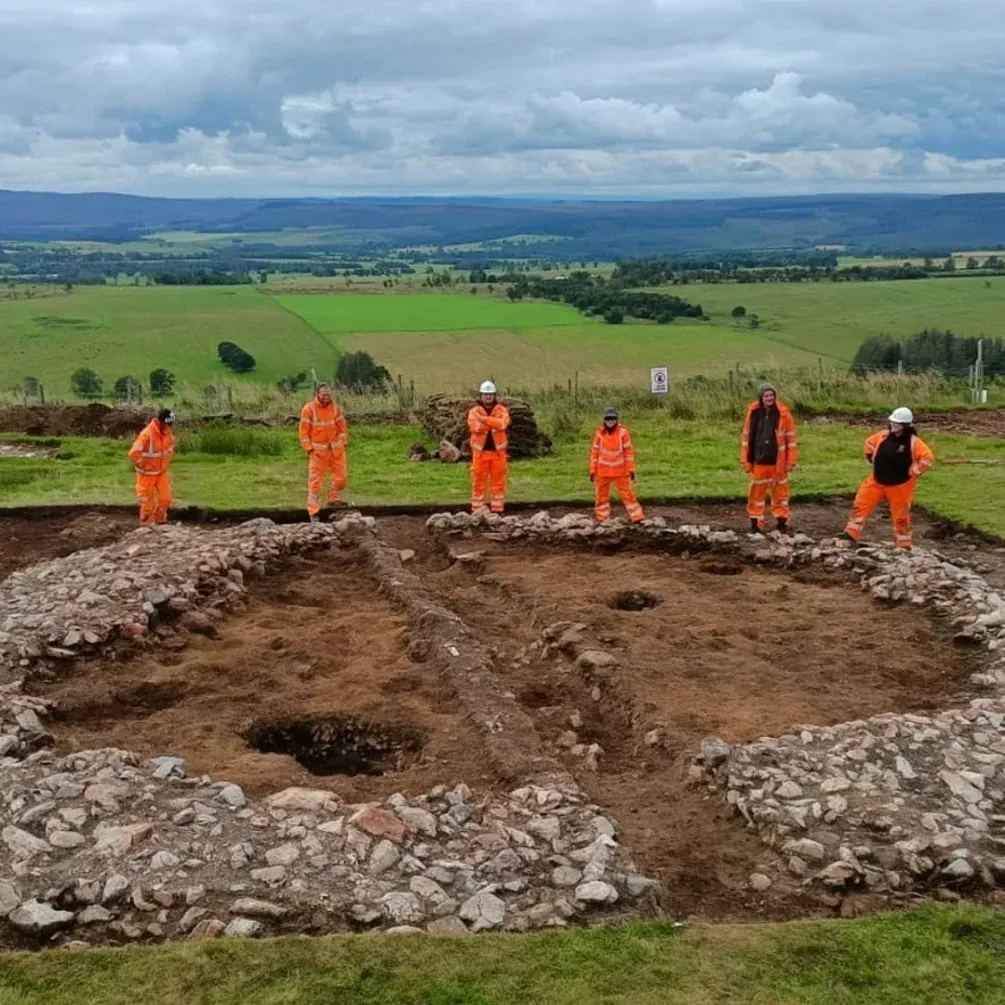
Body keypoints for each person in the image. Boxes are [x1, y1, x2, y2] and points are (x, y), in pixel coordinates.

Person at [842, 407, 934, 549]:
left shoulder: (914, 442)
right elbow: (869, 443)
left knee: (901, 517)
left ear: (905, 426)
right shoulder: (883, 436)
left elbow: (927, 458)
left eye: (897, 424)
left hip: (900, 485)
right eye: (892, 422)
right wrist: (871, 457)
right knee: (860, 505)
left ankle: (903, 545)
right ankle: (850, 533)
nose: (893, 426)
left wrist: (913, 472)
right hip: (876, 480)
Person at [741, 382, 799, 534]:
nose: (769, 398)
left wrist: (791, 460)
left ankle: (781, 521)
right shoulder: (753, 413)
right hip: (758, 460)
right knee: (756, 493)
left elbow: (791, 439)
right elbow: (747, 438)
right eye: (766, 396)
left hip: (778, 461)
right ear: (761, 397)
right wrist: (745, 460)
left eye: (771, 395)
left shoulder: (784, 414)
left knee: (780, 492)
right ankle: (755, 523)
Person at [299, 383, 348, 523]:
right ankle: (314, 512)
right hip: (318, 452)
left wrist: (343, 442)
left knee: (341, 479)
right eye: (323, 395)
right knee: (315, 484)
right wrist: (309, 448)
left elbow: (342, 427)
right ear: (317, 394)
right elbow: (303, 432)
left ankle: (334, 502)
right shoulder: (308, 409)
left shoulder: (335, 408)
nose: (326, 397)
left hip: (336, 450)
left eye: (328, 395)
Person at [590, 408, 645, 523]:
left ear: (616, 419)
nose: (610, 421)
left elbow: (628, 452)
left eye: (612, 418)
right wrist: (592, 470)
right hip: (603, 471)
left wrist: (631, 469)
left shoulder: (623, 432)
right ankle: (602, 518)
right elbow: (595, 452)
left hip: (621, 471)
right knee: (601, 497)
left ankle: (637, 517)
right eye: (608, 419)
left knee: (628, 495)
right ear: (604, 420)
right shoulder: (599, 432)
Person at [467, 380, 511, 514]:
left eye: (490, 394)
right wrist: (493, 423)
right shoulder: (474, 412)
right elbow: (476, 427)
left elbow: (502, 424)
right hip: (480, 453)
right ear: (481, 396)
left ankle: (497, 510)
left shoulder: (501, 410)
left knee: (498, 482)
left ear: (494, 395)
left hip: (498, 453)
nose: (488, 397)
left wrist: (485, 419)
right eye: (485, 394)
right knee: (478, 481)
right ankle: (477, 509)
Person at [128, 408, 176, 526]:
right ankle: (146, 525)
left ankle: (160, 521)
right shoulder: (147, 434)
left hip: (161, 472)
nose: (168, 427)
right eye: (166, 424)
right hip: (146, 474)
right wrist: (143, 465)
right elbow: (133, 453)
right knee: (147, 502)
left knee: (166, 499)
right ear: (160, 421)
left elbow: (168, 450)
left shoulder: (167, 433)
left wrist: (164, 464)